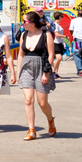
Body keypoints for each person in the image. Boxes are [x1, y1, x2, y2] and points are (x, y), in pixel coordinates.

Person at [18, 11, 57, 141]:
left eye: (24, 21)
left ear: (32, 23)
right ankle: (31, 130)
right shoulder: (24, 34)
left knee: (42, 102)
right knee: (28, 100)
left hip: (42, 67)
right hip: (27, 68)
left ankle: (50, 120)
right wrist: (18, 72)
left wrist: (46, 72)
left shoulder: (46, 35)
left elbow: (51, 54)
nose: (22, 23)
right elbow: (20, 55)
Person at [51, 11, 67, 79]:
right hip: (55, 42)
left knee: (59, 59)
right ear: (59, 17)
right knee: (58, 58)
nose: (62, 18)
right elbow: (57, 34)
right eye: (62, 17)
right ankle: (53, 71)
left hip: (60, 43)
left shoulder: (58, 25)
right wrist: (65, 36)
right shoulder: (55, 25)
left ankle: (56, 72)